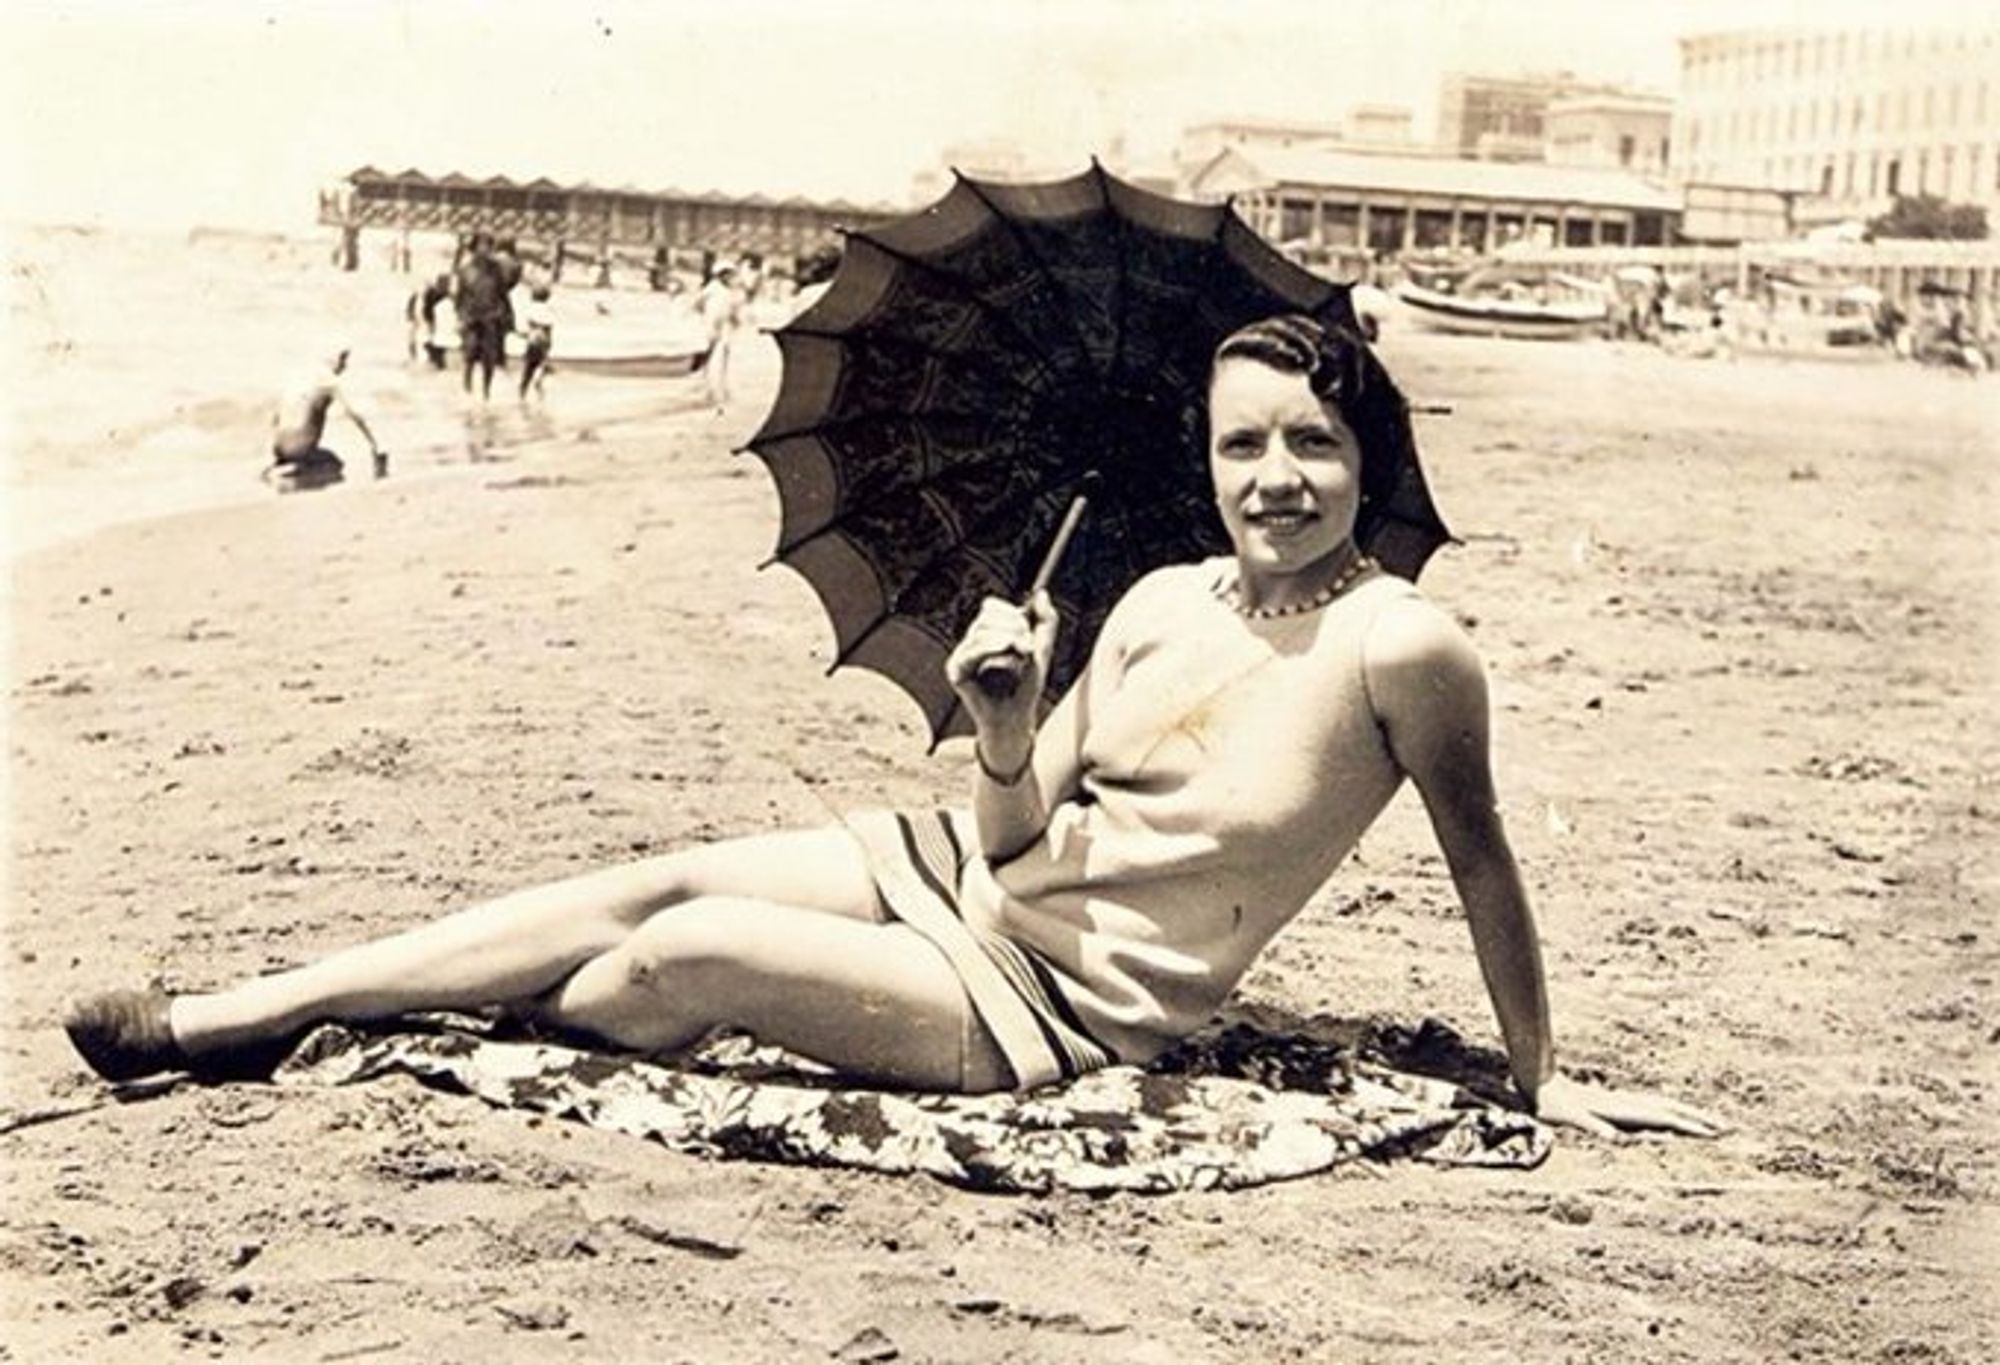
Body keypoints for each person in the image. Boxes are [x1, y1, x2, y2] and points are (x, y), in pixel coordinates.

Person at [63, 315, 1721, 1139]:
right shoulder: (1154, 603)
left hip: (1065, 1006)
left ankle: (407, 1038)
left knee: (674, 959)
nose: (1273, 479)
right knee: (635, 889)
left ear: (1372, 455)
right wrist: (1003, 732)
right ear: (1203, 463)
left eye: (1310, 444)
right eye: (1239, 450)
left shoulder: (1404, 647)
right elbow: (1017, 829)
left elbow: (1487, 868)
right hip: (966, 883)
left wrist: (1542, 1081)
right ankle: (230, 1016)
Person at [266, 342, 384, 488]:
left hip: (278, 447)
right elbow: (353, 413)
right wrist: (375, 444)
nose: (345, 366)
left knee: (315, 453)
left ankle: (284, 462)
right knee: (335, 463)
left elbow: (276, 417)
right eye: (343, 360)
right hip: (299, 448)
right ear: (333, 359)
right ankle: (294, 468)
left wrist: (275, 445)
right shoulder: (329, 380)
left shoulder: (301, 375)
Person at [454, 234, 510, 401]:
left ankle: (486, 390)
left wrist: (504, 314)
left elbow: (503, 294)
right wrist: (460, 317)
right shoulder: (466, 270)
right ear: (475, 248)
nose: (485, 249)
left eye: (488, 246)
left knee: (488, 356)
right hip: (471, 317)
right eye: (481, 245)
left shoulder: (497, 270)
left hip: (491, 317)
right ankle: (467, 387)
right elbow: (460, 297)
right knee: (470, 351)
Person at [697, 261, 745, 411]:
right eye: (728, 275)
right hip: (712, 327)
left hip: (724, 328)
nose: (731, 278)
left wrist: (735, 319)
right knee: (710, 358)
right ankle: (710, 389)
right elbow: (698, 304)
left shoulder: (730, 292)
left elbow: (734, 311)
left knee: (722, 358)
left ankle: (720, 388)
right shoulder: (712, 289)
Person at [406, 272, 454, 369]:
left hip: (434, 327)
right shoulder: (433, 295)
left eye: (447, 284)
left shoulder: (444, 295)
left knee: (429, 343)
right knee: (422, 340)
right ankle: (421, 359)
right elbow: (425, 311)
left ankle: (428, 360)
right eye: (445, 284)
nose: (446, 286)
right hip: (427, 323)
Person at [516, 284, 555, 402]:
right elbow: (549, 329)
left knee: (527, 371)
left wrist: (520, 334)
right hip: (545, 343)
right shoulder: (549, 310)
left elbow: (528, 328)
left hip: (533, 342)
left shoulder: (531, 308)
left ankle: (522, 397)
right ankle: (540, 395)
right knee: (540, 366)